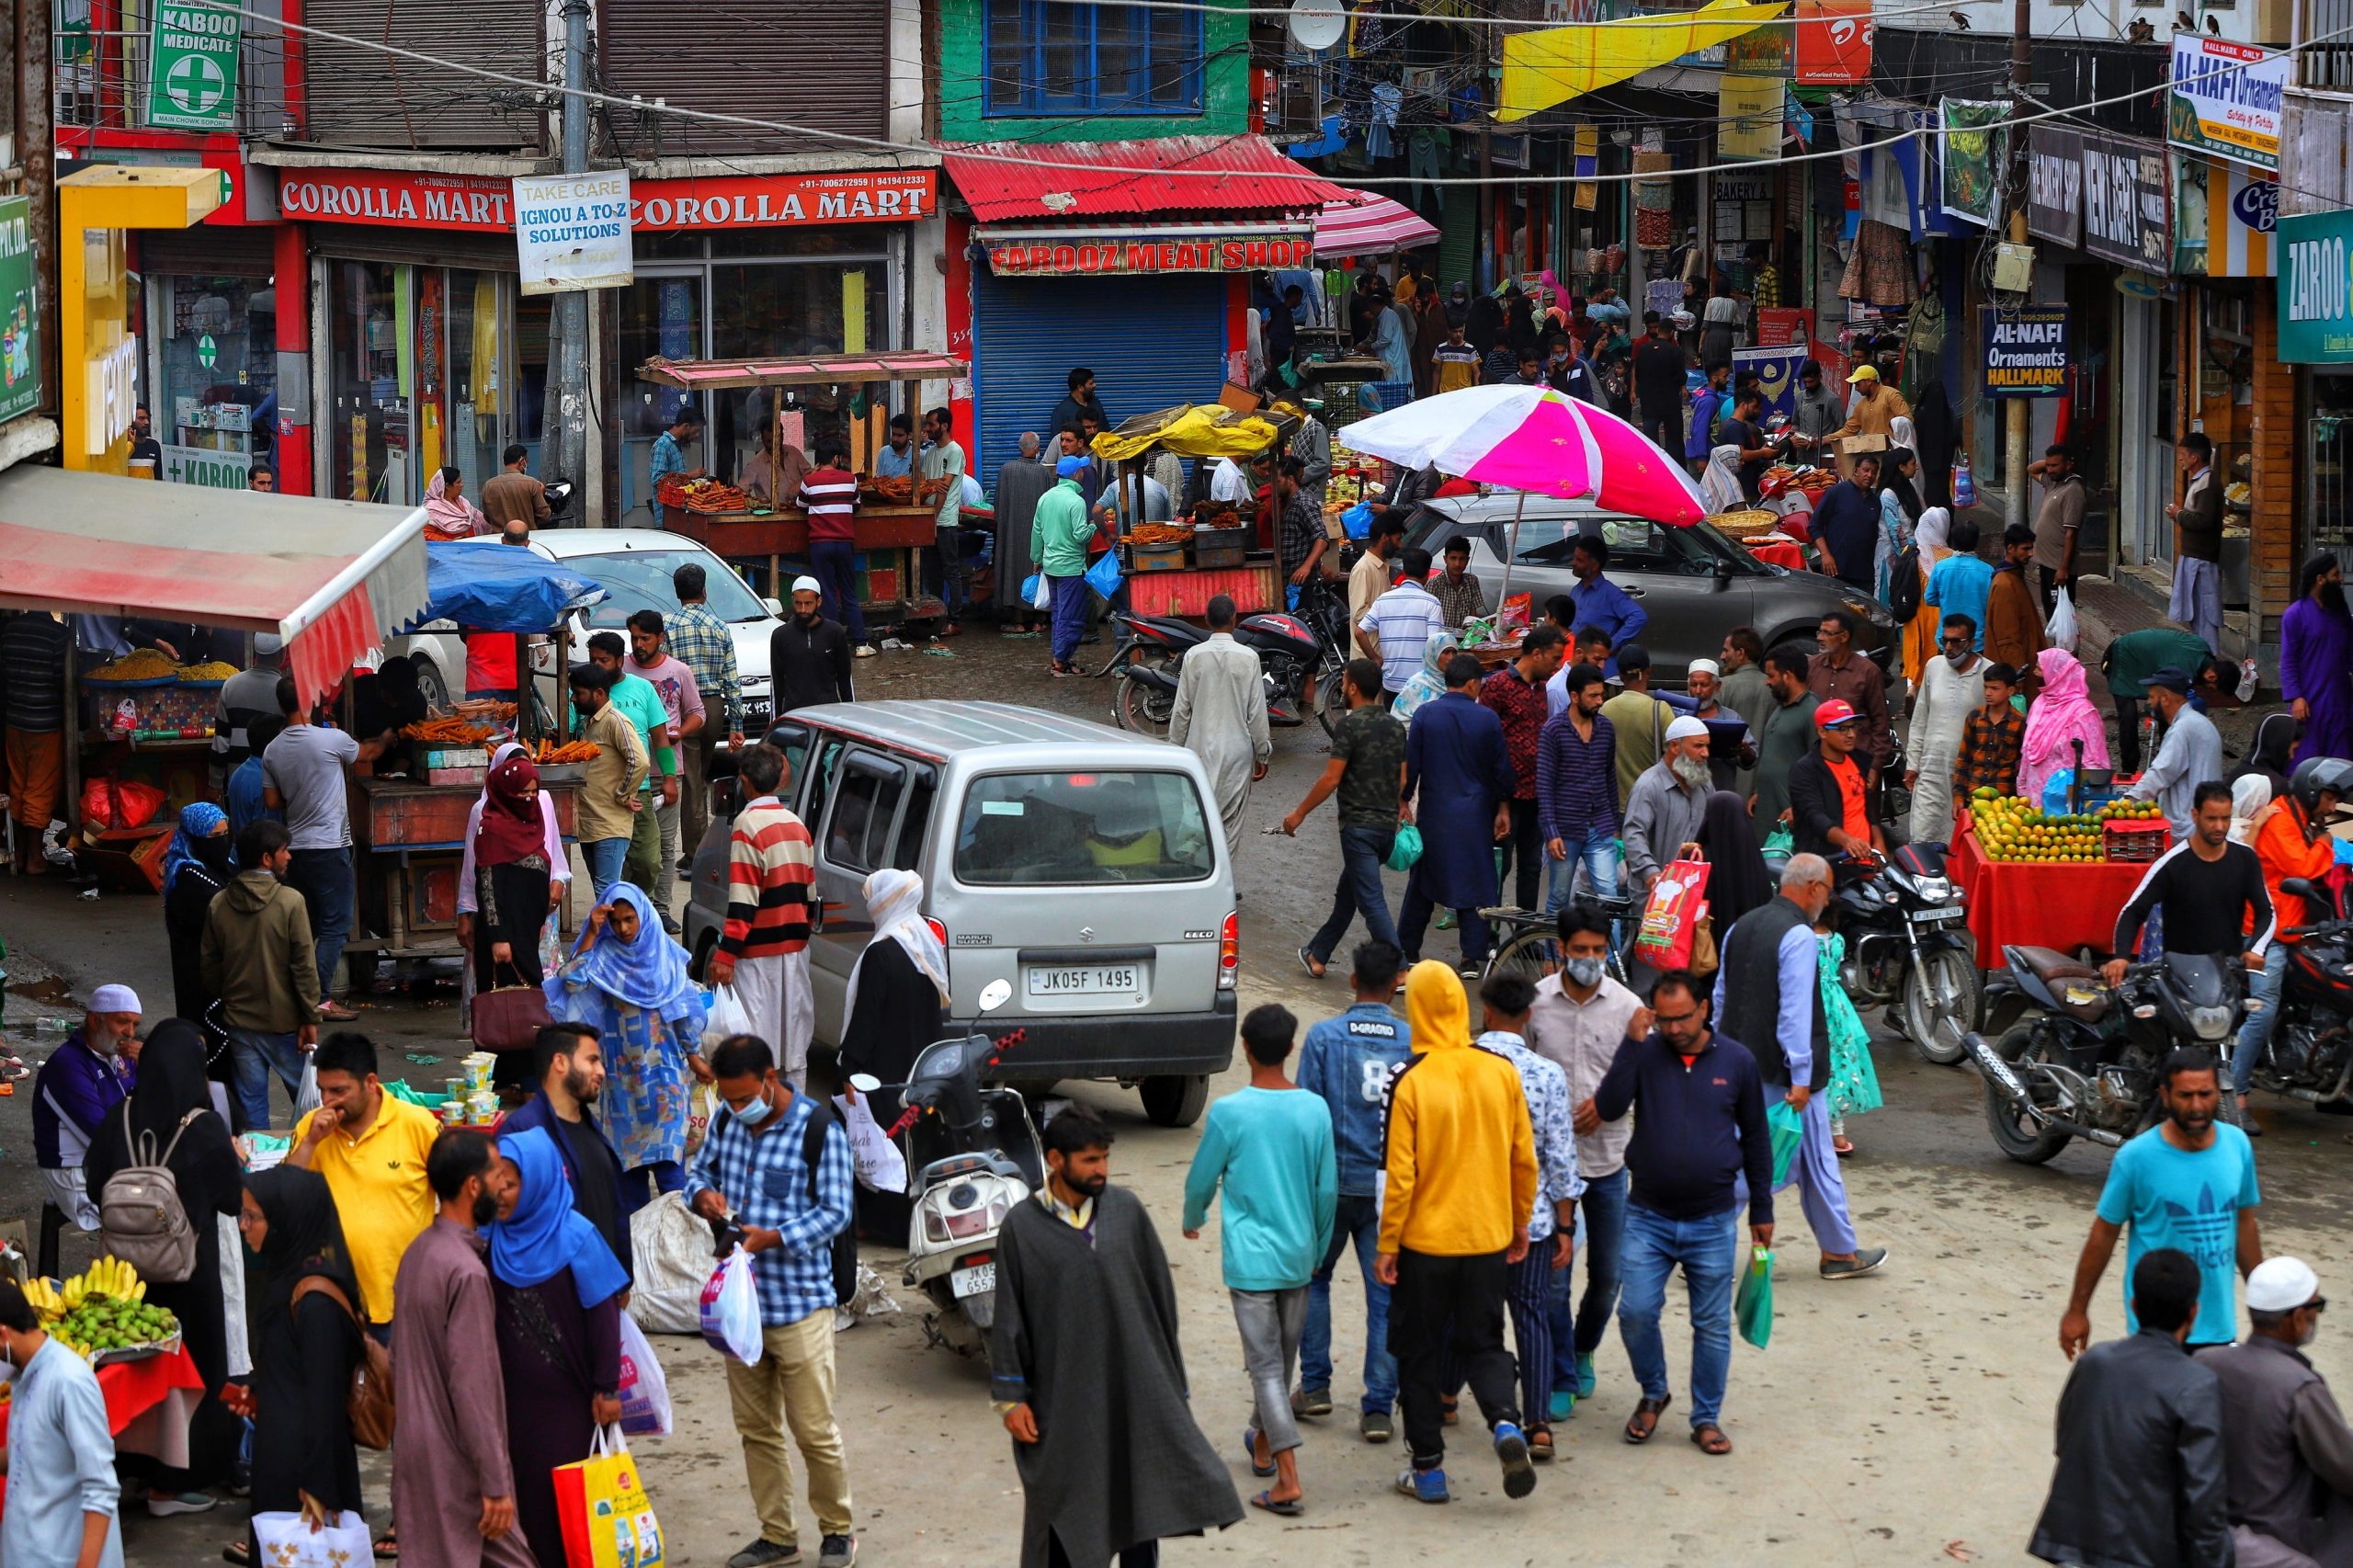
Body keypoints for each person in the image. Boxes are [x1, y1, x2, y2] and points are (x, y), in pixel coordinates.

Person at [992, 1107, 1242, 1566]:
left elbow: (1161, 1301)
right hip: (1063, 1400)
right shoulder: (1022, 1229)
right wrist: (1012, 1398)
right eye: (1089, 1160)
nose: (1102, 1169)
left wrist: (1171, 1382)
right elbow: (1009, 1318)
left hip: (1134, 1388)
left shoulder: (1126, 1212)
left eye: (1105, 1158)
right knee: (1065, 1511)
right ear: (1055, 1160)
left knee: (1138, 1504)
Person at [686, 1033, 859, 1568]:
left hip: (801, 1304)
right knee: (756, 1430)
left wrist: (776, 1237)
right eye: (729, 1100)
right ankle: (777, 1535)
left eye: (743, 1098)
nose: (737, 1110)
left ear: (770, 1079)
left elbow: (836, 1212)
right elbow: (699, 1172)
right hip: (742, 1310)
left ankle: (838, 1531)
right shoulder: (725, 1122)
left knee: (813, 1430)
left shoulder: (818, 1130)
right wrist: (703, 1197)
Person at [1378, 962, 1541, 1505]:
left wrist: (1387, 1244)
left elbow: (1400, 1175)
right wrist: (1519, 1223)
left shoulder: (1410, 1078)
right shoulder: (1499, 1071)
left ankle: (1428, 1471)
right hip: (1488, 1236)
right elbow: (1524, 1160)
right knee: (1485, 1341)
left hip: (1425, 1244)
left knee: (1419, 1352)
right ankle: (1504, 1422)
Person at [1595, 967, 1772, 1453]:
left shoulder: (1737, 1062)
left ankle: (1706, 1418)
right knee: (1634, 1312)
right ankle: (1654, 1393)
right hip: (1647, 1217)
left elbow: (1756, 1138)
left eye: (1682, 1019)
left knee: (1711, 1325)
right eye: (1664, 1020)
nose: (1673, 1029)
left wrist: (1762, 1208)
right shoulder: (1646, 1053)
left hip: (1713, 1220)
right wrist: (1632, 1044)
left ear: (1704, 1009)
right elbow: (1609, 1108)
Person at [1180, 1005, 1337, 1516]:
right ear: (1290, 1049)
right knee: (1279, 1361)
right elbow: (1327, 1190)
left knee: (1267, 1368)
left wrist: (1194, 1214)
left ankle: (1288, 1478)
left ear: (1244, 1049)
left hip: (1251, 1261)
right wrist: (1317, 1245)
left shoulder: (1229, 1112)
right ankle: (1264, 1445)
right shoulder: (1314, 1109)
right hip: (1298, 1254)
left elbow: (1203, 1178)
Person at [81, 1020, 241, 1510]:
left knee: (139, 1364)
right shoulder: (205, 1124)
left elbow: (92, 1188)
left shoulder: (119, 1115)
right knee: (193, 1368)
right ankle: (175, 1482)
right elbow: (232, 1201)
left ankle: (138, 1467)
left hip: (128, 1276)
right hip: (189, 1273)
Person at [1715, 855, 1890, 1279]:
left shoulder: (1742, 926)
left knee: (1816, 1161)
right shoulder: (1797, 936)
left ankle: (1838, 1251)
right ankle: (1708, 1248)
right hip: (1784, 1077)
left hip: (1741, 1065)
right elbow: (1795, 1013)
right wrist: (1800, 1077)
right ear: (1812, 888)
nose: (1827, 902)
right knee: (1747, 1165)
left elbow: (1721, 996)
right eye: (1827, 892)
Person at [2030, 1248, 2233, 1568]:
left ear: (2134, 1306)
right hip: (2143, 1554)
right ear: (2193, 1313)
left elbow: (2066, 1441)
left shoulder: (2094, 1361)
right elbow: (2204, 1498)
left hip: (2073, 1544)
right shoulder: (2198, 1384)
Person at [392, 1129, 537, 1568]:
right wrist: (495, 1483)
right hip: (456, 1460)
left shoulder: (419, 1252)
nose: (502, 1185)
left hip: (416, 1450)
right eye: (495, 1175)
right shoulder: (466, 1273)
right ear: (474, 1186)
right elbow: (472, 1388)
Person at [2061, 1047, 2262, 1359]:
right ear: (2165, 1096)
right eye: (2185, 1095)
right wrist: (2077, 1310)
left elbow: (2244, 1224)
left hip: (2219, 1329)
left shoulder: (2237, 1145)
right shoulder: (2136, 1158)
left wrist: (2264, 1300)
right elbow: (2103, 1234)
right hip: (2158, 1332)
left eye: (2205, 1094)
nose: (2197, 1106)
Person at [486, 1127, 629, 1568]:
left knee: (566, 1507)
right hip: (508, 1401)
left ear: (541, 1180)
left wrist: (607, 1389)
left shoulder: (577, 1237)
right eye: (496, 1182)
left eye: (511, 1183)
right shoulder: (489, 1236)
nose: (501, 1193)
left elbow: (603, 1318)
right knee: (520, 1502)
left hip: (568, 1404)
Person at [1522, 902, 1642, 1419]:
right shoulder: (1536, 1005)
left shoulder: (1628, 1008)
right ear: (1562, 950)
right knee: (1550, 1278)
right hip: (1546, 1170)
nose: (1590, 959)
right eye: (1580, 951)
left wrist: (1611, 1104)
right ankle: (1560, 1374)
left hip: (1608, 1161)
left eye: (1598, 950)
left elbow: (1645, 1075)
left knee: (1608, 1275)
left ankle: (1583, 1345)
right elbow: (1515, 1067)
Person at [1293, 941, 1411, 1437]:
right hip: (1388, 1190)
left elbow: (1307, 1116)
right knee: (1384, 1294)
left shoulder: (1323, 1037)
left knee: (1315, 1280)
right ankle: (1379, 1407)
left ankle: (1316, 1387)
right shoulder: (1411, 1041)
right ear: (1396, 985)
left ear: (1352, 980)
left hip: (1331, 1184)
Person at [1464, 972, 1582, 1462]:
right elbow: (1560, 1156)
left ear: (1486, 1010)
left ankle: (1451, 1400)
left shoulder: (1459, 1066)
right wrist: (1566, 1225)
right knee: (1531, 1317)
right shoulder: (1547, 1075)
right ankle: (1538, 1424)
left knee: (1470, 1316)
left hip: (1470, 1220)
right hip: (1530, 1222)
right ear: (1529, 1016)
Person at [545, 882, 710, 1208]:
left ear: (643, 917)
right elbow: (572, 981)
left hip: (665, 1080)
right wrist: (592, 931)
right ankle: (636, 1252)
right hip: (622, 1084)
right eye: (615, 921)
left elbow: (684, 1012)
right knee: (629, 1177)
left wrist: (694, 1057)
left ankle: (679, 1249)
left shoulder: (663, 955)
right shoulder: (604, 956)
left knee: (671, 1176)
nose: (622, 928)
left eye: (629, 919)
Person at [233, 1167, 366, 1562]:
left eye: (253, 1217)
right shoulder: (286, 1276)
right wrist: (259, 1388)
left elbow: (325, 1397)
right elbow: (292, 1362)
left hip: (305, 1469)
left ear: (287, 1219)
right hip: (281, 1450)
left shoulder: (316, 1302)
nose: (244, 1226)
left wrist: (318, 1485)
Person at [2197, 1256, 2353, 1568]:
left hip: (2212, 1520)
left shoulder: (2207, 1361)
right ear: (2297, 1318)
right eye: (2316, 1307)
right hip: (2279, 1535)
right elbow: (2346, 1467)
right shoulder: (2300, 1387)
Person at [284, 1031, 436, 1335]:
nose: (327, 1101)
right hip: (331, 1302)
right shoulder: (310, 1128)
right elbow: (285, 1196)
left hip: (403, 1306)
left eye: (338, 1091)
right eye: (322, 1090)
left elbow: (455, 1202)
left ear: (370, 1082)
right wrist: (310, 1142)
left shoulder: (418, 1126)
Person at [263, 676, 392, 1021]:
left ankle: (294, 994)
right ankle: (318, 1001)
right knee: (336, 925)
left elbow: (272, 800)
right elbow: (368, 754)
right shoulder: (331, 739)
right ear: (309, 702)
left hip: (295, 849)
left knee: (308, 926)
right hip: (330, 847)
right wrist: (388, 735)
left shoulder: (272, 749)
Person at [835, 867, 947, 1242]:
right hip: (920, 1063)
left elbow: (867, 1018)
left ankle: (882, 1226)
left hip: (883, 1068)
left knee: (880, 1146)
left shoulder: (882, 951)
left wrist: (850, 1069)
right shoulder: (925, 944)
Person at [2236, 760, 2346, 1127]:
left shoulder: (2303, 821)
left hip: (2300, 930)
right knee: (2263, 1008)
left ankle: (2336, 1086)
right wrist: (2327, 843)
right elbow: (2302, 867)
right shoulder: (2283, 820)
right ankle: (2235, 1097)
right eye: (2329, 799)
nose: (2332, 808)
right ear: (2312, 791)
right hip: (2267, 934)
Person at [1288, 659, 1407, 973]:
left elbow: (1331, 779)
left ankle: (1400, 967)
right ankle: (1317, 955)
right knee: (1348, 894)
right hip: (1385, 831)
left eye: (1343, 681)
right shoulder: (1395, 726)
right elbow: (1403, 781)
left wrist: (1299, 814)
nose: (1341, 686)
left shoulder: (1349, 726)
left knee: (1371, 901)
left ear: (1353, 688)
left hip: (1358, 829)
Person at [708, 741, 817, 1085]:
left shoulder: (747, 825)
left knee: (757, 1039)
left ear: (745, 780)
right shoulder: (796, 825)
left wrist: (726, 955)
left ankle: (760, 1112)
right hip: (795, 948)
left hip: (758, 954)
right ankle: (794, 1109)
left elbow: (743, 901)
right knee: (793, 1035)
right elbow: (810, 896)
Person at [0, 1276, 126, 1568]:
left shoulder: (68, 1381)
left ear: (4, 1335)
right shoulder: (23, 1375)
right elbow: (30, 1453)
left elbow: (102, 1488)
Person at [1400, 653, 1516, 969]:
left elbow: (1412, 766)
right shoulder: (1487, 719)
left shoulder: (1425, 715)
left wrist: (1403, 802)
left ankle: (1408, 949)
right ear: (1472, 684)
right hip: (1476, 815)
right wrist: (1503, 807)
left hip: (1435, 813)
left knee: (1423, 882)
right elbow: (1501, 770)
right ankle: (1471, 957)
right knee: (1476, 882)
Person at [202, 820, 319, 1131]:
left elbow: (210, 966)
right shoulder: (290, 902)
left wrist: (230, 998)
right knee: (308, 1102)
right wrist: (309, 1017)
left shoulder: (219, 903)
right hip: (285, 1025)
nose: (289, 857)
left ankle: (257, 1168)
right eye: (284, 851)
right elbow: (304, 966)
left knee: (252, 1104)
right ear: (267, 859)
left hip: (241, 1023)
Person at [460, 750, 561, 1093]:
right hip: (502, 933)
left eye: (534, 792)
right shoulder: (492, 828)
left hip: (528, 930)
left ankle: (526, 1076)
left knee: (528, 1000)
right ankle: (503, 1078)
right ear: (506, 792)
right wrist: (498, 936)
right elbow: (487, 887)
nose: (531, 799)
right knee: (502, 1004)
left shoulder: (534, 823)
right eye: (524, 793)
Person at [499, 1024, 631, 1276]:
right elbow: (503, 1224)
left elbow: (613, 1211)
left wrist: (623, 1277)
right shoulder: (521, 1134)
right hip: (553, 1293)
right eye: (592, 1060)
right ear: (560, 1062)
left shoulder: (592, 1130)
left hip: (602, 1286)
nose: (601, 1071)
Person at [2112, 783, 2275, 987]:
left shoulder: (2245, 858)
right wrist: (2121, 957)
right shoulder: (2171, 864)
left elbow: (2266, 910)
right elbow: (2132, 911)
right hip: (2181, 982)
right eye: (2211, 819)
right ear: (2195, 815)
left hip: (2228, 980)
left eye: (2225, 818)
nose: (2219, 827)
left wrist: (2255, 950)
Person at [31, 985, 139, 1254]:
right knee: (158, 1217)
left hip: (107, 1165)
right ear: (94, 1019)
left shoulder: (118, 1057)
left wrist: (154, 1059)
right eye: (122, 1021)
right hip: (76, 1175)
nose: (130, 1033)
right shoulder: (67, 1066)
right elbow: (104, 1137)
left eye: (135, 1024)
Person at [1169, 594, 1272, 859]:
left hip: (1198, 749)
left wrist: (1174, 750)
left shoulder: (1194, 656)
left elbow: (1181, 710)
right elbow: (1257, 713)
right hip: (1237, 753)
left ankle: (1194, 871)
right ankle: (1222, 883)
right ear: (1234, 620)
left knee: (1197, 812)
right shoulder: (1248, 658)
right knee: (1230, 820)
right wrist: (1262, 752)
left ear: (1206, 620)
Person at [1479, 626, 1566, 914]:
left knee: (1530, 868)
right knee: (1498, 868)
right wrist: (1499, 798)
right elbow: (1487, 744)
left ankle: (1524, 935)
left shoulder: (1542, 688)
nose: (1557, 666)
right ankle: (1485, 940)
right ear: (1536, 654)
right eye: (1555, 658)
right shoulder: (1498, 685)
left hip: (1536, 796)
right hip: (1504, 797)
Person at [587, 633, 677, 910]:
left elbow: (660, 738)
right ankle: (622, 915)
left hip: (639, 789)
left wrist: (671, 777)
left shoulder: (642, 688)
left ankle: (643, 909)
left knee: (648, 860)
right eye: (593, 660)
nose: (598, 666)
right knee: (609, 865)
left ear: (619, 661)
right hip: (601, 794)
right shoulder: (583, 692)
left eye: (604, 660)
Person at [670, 561, 748, 854]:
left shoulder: (670, 625)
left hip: (684, 708)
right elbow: (732, 678)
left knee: (692, 781)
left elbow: (666, 674)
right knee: (700, 774)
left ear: (677, 593)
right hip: (714, 709)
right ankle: (703, 849)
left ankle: (695, 853)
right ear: (704, 592)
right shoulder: (719, 626)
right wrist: (736, 726)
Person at [1538, 661, 1620, 911]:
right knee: (1559, 898)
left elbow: (1609, 778)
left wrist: (1614, 826)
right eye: (1593, 696)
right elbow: (1544, 786)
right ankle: (1555, 951)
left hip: (1600, 828)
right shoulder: (1553, 730)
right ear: (1574, 696)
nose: (1599, 701)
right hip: (1565, 830)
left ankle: (1608, 952)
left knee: (1609, 898)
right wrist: (1551, 833)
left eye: (1601, 695)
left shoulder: (1606, 728)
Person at [564, 663, 652, 894]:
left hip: (610, 825)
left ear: (599, 693)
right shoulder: (590, 724)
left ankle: (615, 931)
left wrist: (624, 794)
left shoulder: (616, 721)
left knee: (607, 891)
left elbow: (640, 761)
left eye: (579, 693)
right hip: (590, 823)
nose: (573, 699)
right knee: (601, 889)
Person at [1907, 619, 1988, 844]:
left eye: (1956, 641)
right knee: (1922, 838)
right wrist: (1913, 763)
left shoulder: (1989, 673)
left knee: (1961, 843)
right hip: (1930, 770)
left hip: (1966, 776)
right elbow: (1920, 718)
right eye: (1945, 641)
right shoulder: (1933, 666)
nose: (1949, 647)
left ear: (1972, 642)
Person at [2127, 668, 2228, 839]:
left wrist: (2127, 803)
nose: (2149, 702)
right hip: (2200, 821)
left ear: (2165, 698)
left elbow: (2161, 773)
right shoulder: (2198, 722)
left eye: (2152, 697)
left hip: (2187, 827)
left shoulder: (2183, 728)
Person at [2103, 625, 2216, 775]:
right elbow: (2159, 706)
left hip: (2146, 659)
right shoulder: (2184, 666)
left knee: (2167, 708)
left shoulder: (2202, 652)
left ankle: (2166, 762)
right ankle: (2129, 770)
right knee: (2129, 715)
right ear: (2211, 676)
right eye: (2211, 687)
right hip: (2120, 655)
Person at [1623, 715, 1712, 903]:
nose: (1705, 753)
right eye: (1698, 746)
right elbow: (1633, 834)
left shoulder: (1703, 783)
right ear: (1675, 747)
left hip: (1693, 892)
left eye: (1706, 746)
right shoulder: (1649, 786)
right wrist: (1651, 874)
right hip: (1655, 896)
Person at [161, 801, 233, 1034]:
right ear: (194, 837)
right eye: (214, 836)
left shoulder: (221, 866)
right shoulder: (188, 877)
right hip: (198, 974)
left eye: (225, 834)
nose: (221, 842)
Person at [1788, 700, 1884, 865]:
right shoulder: (1805, 770)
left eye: (1853, 727)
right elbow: (1815, 816)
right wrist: (1848, 841)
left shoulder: (1859, 760)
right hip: (1827, 865)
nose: (1851, 734)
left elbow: (1867, 809)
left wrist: (1879, 843)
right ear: (1822, 732)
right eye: (1842, 729)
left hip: (1867, 863)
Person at [796, 439, 870, 654]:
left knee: (826, 594)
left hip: (820, 544)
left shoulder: (809, 481)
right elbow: (857, 505)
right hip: (844, 543)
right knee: (849, 592)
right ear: (836, 459)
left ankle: (832, 644)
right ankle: (861, 643)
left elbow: (800, 505)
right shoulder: (850, 479)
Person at [2283, 552, 2353, 766]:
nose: (2340, 579)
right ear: (2320, 579)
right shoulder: (2295, 615)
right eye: (2335, 575)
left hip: (2340, 699)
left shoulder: (2340, 612)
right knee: (2307, 764)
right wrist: (2295, 697)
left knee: (2340, 765)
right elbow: (2288, 660)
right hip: (2309, 703)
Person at [2016, 646, 2109, 806]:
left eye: (2039, 669)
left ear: (2056, 674)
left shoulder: (2083, 714)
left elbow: (2094, 765)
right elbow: (2028, 751)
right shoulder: (2040, 703)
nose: (2034, 673)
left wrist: (2089, 806)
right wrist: (2021, 789)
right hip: (2033, 803)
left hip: (2065, 807)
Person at [1806, 608, 1889, 787]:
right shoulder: (1812, 667)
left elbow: (1881, 722)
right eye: (1819, 632)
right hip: (1819, 764)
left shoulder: (1868, 672)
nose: (1820, 638)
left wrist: (1875, 766)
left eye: (1827, 633)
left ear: (1844, 637)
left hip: (1857, 764)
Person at [1033, 455, 1098, 677]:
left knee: (1059, 615)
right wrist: (1093, 527)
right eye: (1081, 470)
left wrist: (1036, 559)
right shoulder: (1076, 501)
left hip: (1051, 567)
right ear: (1076, 474)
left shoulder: (1045, 498)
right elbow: (1080, 535)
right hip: (1070, 568)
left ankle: (1060, 659)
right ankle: (1060, 662)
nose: (1083, 473)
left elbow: (1037, 532)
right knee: (1072, 617)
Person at [1748, 645, 1820, 846]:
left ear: (1787, 676)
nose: (1767, 681)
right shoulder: (1780, 707)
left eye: (1771, 675)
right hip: (1766, 810)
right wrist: (1758, 791)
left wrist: (1800, 808)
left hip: (1789, 818)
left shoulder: (1812, 710)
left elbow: (1819, 767)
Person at [1358, 546, 1448, 699]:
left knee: (1394, 722)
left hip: (1391, 684)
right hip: (1421, 685)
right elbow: (1434, 646)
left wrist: (1376, 659)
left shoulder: (1383, 600)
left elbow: (1359, 632)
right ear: (1427, 574)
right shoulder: (1431, 603)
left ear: (1404, 571)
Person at [992, 432, 1055, 634]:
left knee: (1013, 571)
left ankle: (1017, 621)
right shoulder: (1043, 473)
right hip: (1037, 534)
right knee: (1037, 572)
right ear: (1037, 448)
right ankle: (1039, 620)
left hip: (1011, 534)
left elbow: (998, 505)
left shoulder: (1006, 470)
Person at [1599, 643, 1677, 804]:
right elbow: (1677, 759)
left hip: (1613, 806)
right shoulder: (1660, 710)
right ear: (1649, 671)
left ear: (1620, 676)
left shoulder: (1604, 710)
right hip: (1649, 804)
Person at [770, 575, 856, 718]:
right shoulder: (781, 636)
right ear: (792, 601)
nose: (803, 609)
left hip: (829, 714)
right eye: (798, 603)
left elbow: (845, 680)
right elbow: (776, 685)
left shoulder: (835, 632)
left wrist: (851, 718)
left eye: (808, 603)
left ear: (819, 602)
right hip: (794, 716)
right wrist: (775, 723)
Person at [2171, 431, 2226, 651]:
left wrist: (2179, 514)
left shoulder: (2207, 482)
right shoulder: (2200, 481)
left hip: (2201, 559)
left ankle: (2208, 664)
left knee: (2205, 613)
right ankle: (2202, 663)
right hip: (2193, 556)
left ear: (2195, 457)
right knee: (2196, 614)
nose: (2180, 459)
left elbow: (2203, 520)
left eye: (2183, 454)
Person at [918, 406, 970, 634]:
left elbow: (943, 489)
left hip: (945, 521)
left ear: (944, 426)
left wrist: (934, 517)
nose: (928, 428)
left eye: (931, 424)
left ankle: (955, 620)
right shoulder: (930, 453)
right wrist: (931, 484)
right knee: (932, 572)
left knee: (950, 570)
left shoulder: (954, 452)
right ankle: (937, 615)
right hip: (930, 520)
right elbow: (924, 484)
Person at [212, 631, 286, 786]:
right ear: (282, 654)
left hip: (236, 780)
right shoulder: (285, 691)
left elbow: (221, 740)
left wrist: (215, 783)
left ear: (255, 653)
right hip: (274, 782)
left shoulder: (231, 685)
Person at [1808, 453, 1882, 595]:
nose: (1870, 475)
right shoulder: (1837, 492)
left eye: (1874, 472)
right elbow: (1814, 526)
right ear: (1855, 470)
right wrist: (1825, 555)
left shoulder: (1875, 501)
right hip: (1837, 569)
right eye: (1866, 470)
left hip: (1865, 574)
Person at [1898, 508, 1954, 691]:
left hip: (1913, 609)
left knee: (1913, 648)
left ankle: (1911, 687)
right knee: (1932, 649)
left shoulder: (1909, 551)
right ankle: (1929, 690)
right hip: (1937, 611)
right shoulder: (1948, 557)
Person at [2026, 443, 2085, 615]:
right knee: (2050, 611)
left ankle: (2063, 643)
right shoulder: (2054, 483)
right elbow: (2030, 469)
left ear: (2068, 464)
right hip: (2047, 563)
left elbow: (2070, 534)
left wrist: (2063, 568)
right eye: (2048, 465)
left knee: (2060, 614)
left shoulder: (2073, 491)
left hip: (2058, 566)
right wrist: (2050, 463)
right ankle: (2055, 642)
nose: (2050, 470)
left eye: (2055, 465)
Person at [1986, 522, 2050, 675]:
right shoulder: (2005, 584)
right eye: (2025, 549)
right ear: (2010, 549)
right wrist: (2016, 675)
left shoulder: (2014, 576)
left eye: (2031, 548)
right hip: (2018, 671)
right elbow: (2007, 639)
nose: (2031, 553)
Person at [1632, 312, 1688, 455]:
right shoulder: (1675, 350)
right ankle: (1676, 471)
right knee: (1674, 441)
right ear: (1671, 333)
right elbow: (1681, 377)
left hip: (1649, 403)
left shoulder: (1644, 349)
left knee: (1650, 443)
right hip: (1670, 403)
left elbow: (1637, 374)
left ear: (1658, 330)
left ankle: (1653, 470)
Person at [1874, 448, 1925, 601]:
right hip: (1894, 555)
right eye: (1912, 464)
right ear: (1901, 467)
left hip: (1910, 552)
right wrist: (1908, 556)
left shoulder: (1908, 488)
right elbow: (1895, 532)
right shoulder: (1888, 494)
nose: (1916, 467)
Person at [1830, 363, 1912, 446]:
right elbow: (1849, 430)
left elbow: (1906, 421)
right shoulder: (1860, 405)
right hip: (1871, 451)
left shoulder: (1891, 395)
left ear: (1869, 381)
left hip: (1892, 451)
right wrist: (1825, 439)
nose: (1856, 388)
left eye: (1858, 384)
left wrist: (1892, 437)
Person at [480, 442, 551, 531]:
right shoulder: (531, 483)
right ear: (522, 461)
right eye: (526, 463)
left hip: (499, 539)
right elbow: (544, 515)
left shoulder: (488, 485)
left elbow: (487, 517)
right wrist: (541, 494)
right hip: (526, 537)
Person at [649, 404, 707, 501]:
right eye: (696, 431)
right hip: (667, 510)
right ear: (686, 426)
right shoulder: (663, 445)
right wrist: (689, 475)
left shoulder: (675, 444)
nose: (697, 435)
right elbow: (657, 480)